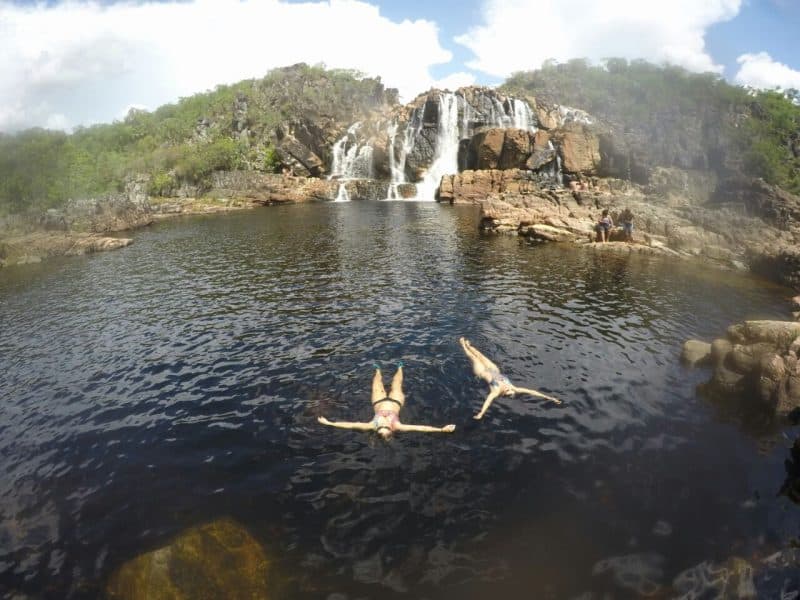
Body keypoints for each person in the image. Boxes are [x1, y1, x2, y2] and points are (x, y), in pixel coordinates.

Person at [317, 363, 456, 439]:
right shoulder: (398, 426)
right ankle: (400, 367)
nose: (383, 424)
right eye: (386, 427)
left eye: (380, 428)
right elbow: (421, 428)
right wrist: (441, 429)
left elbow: (351, 425)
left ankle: (377, 370)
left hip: (378, 402)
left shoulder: (372, 425)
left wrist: (330, 423)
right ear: (391, 429)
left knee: (376, 384)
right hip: (396, 402)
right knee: (397, 384)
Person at [459, 337, 561, 420]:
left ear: (503, 393)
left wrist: (481, 413)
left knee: (474, 358)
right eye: (511, 390)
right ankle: (469, 346)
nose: (509, 389)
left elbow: (488, 402)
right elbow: (531, 391)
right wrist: (549, 398)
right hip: (494, 370)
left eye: (508, 391)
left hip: (482, 372)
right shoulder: (513, 388)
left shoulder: (495, 392)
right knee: (480, 355)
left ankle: (463, 345)